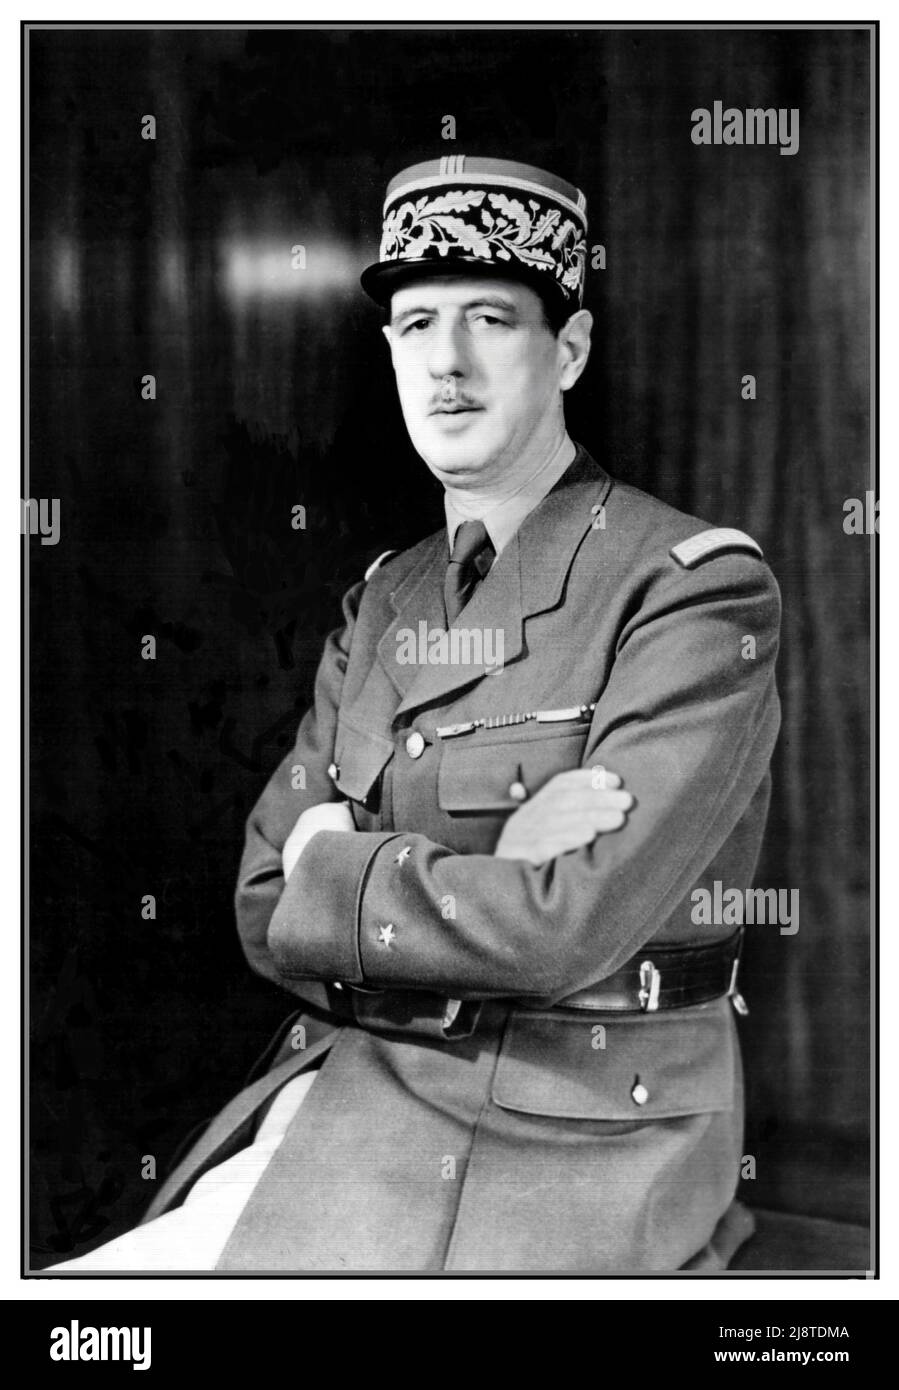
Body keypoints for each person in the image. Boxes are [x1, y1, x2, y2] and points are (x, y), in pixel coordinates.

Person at [49, 155, 781, 1274]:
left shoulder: (686, 584)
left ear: (569, 348)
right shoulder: (389, 599)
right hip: (370, 1090)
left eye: (490, 317)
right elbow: (258, 898)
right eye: (413, 323)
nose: (445, 362)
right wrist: (489, 863)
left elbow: (562, 927)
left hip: (582, 1126)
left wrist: (343, 864)